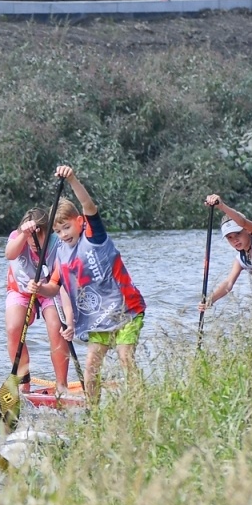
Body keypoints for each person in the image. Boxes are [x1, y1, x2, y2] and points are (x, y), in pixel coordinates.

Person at [29, 165, 146, 400]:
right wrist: (39, 288)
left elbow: (89, 206)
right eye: (58, 231)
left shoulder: (94, 236)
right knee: (91, 368)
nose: (63, 234)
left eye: (67, 227)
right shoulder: (61, 253)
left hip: (126, 311)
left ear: (80, 222)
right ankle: (93, 413)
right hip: (98, 319)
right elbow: (54, 286)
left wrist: (72, 179)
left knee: (125, 358)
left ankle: (140, 405)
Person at [3, 206, 69, 394]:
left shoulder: (57, 242)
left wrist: (42, 288)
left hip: (50, 290)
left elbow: (59, 282)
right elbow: (9, 254)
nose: (34, 242)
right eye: (30, 237)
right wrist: (24, 235)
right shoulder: (18, 236)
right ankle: (23, 383)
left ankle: (61, 386)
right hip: (21, 290)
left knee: (57, 329)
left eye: (38, 236)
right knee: (14, 327)